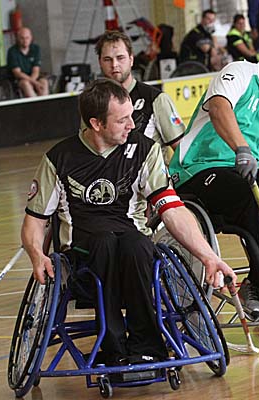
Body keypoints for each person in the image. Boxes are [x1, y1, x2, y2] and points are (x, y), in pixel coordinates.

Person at [21, 78, 236, 366]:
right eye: (122, 120)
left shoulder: (145, 150)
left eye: (132, 117)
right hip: (82, 254)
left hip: (131, 244)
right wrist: (37, 256)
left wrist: (208, 257)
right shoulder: (59, 159)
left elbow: (173, 209)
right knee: (104, 242)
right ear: (96, 124)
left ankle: (147, 346)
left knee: (137, 244)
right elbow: (35, 222)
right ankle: (114, 348)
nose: (132, 125)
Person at [168, 24, 259, 318]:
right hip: (197, 172)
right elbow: (219, 108)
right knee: (248, 192)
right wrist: (241, 148)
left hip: (240, 177)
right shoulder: (240, 73)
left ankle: (257, 284)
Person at [95, 30, 184, 151]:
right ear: (100, 62)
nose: (114, 64)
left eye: (120, 58)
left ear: (131, 59)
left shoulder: (156, 99)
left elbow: (182, 151)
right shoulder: (93, 102)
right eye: (107, 59)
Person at [6, 26, 49, 98]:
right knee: (26, 84)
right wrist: (34, 83)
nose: (25, 40)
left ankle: (45, 102)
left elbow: (36, 70)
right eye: (22, 38)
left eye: (27, 38)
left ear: (31, 38)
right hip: (19, 79)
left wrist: (33, 82)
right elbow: (17, 73)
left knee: (44, 82)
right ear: (17, 38)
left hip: (34, 77)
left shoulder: (36, 48)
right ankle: (34, 102)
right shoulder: (12, 51)